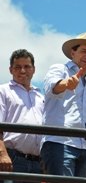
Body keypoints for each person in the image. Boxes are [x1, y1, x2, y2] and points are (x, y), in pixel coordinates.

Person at [40, 32, 86, 177]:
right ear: (72, 52)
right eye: (83, 51)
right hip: (60, 143)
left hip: (84, 147)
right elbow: (52, 87)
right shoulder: (59, 69)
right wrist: (66, 83)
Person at [0, 49, 44, 183]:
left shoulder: (40, 96)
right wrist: (2, 154)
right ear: (10, 69)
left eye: (27, 67)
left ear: (34, 69)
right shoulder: (3, 91)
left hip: (37, 162)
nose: (22, 71)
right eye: (18, 67)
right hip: (12, 158)